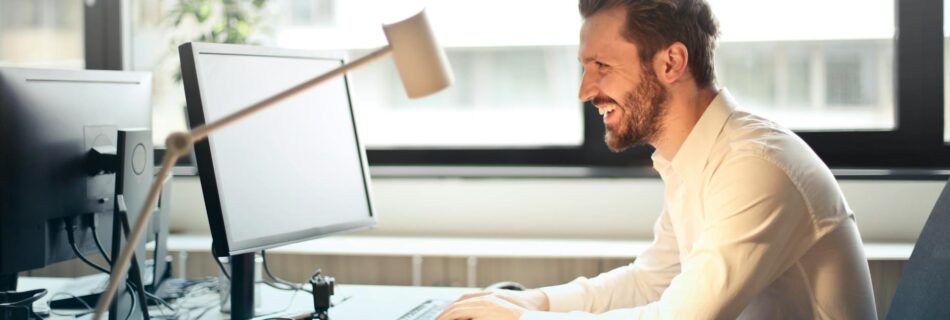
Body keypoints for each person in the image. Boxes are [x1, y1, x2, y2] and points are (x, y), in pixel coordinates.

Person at [436, 0, 878, 319]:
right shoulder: (692, 159)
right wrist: (535, 302)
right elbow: (651, 281)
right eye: (584, 67)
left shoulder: (755, 166)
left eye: (602, 66)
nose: (585, 90)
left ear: (671, 63)